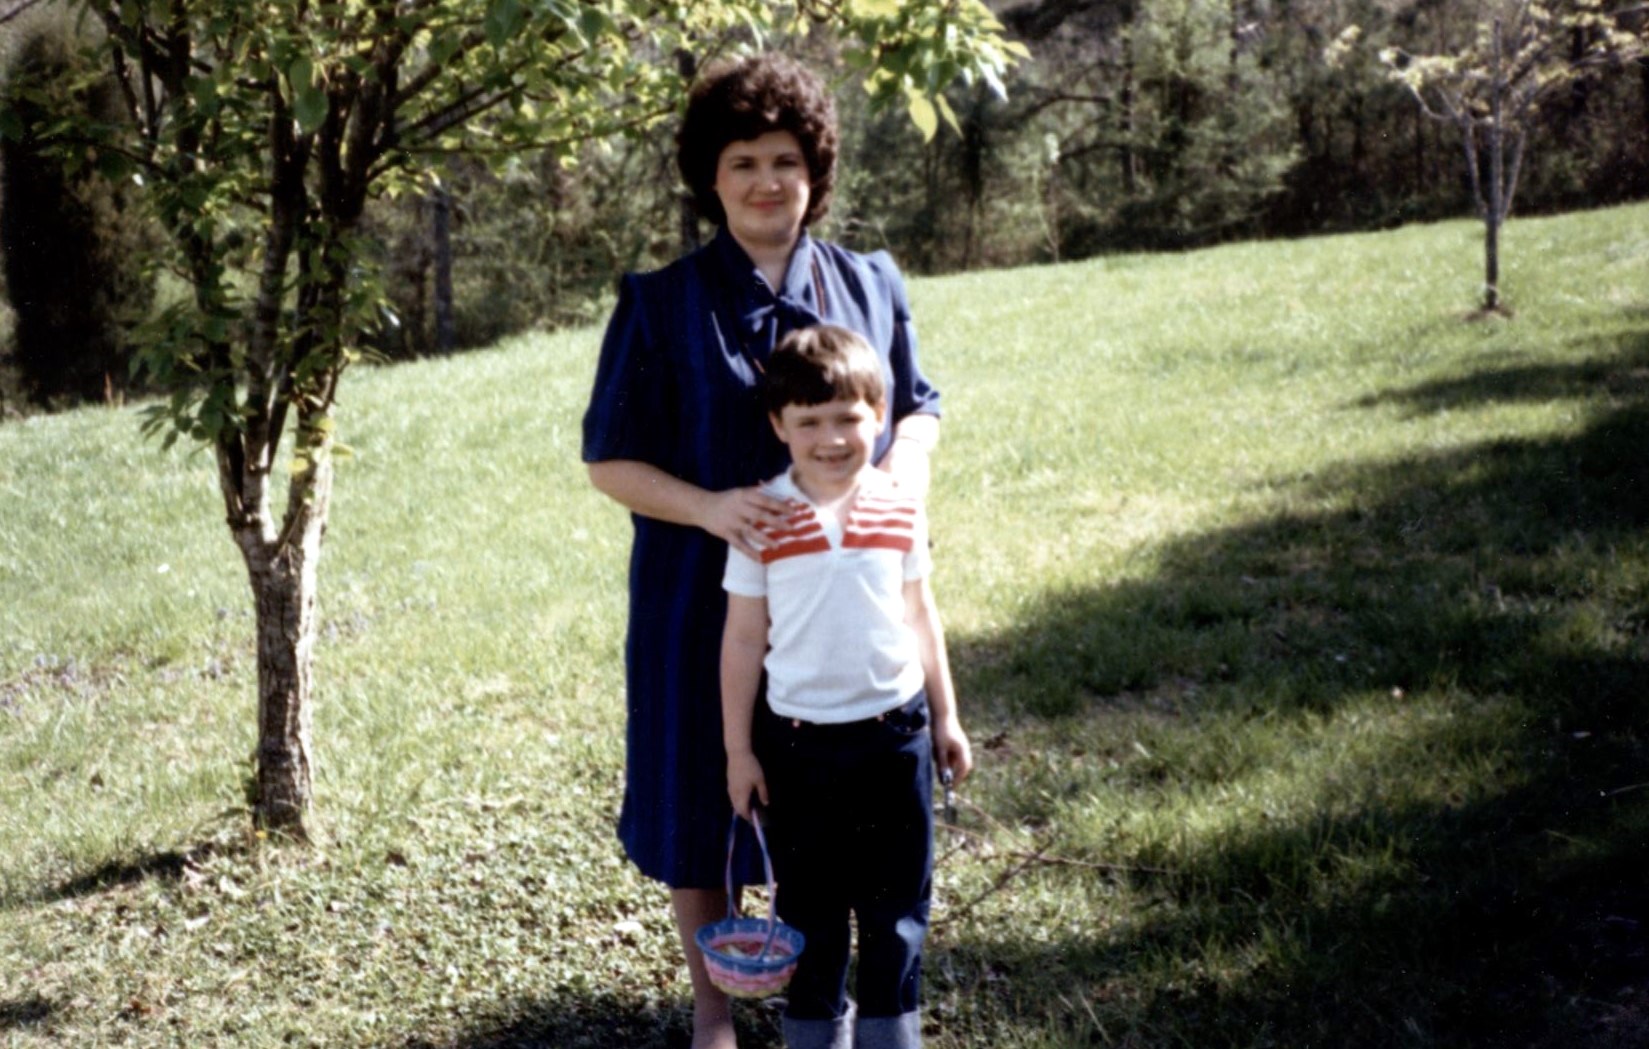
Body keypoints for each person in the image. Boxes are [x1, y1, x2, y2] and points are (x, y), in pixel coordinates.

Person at [581, 54, 942, 1049]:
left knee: (851, 820)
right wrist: (708, 506)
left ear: (813, 168)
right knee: (701, 792)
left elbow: (916, 407)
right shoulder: (660, 306)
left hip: (847, 605)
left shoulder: (868, 283)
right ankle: (715, 1012)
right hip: (700, 594)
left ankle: (857, 1003)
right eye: (741, 160)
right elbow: (607, 458)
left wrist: (901, 476)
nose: (764, 181)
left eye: (784, 159)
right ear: (710, 174)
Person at [720, 324, 972, 1049]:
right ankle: (815, 1036)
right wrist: (740, 751)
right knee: (810, 910)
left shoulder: (898, 505)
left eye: (847, 418)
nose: (830, 438)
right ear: (779, 425)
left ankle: (891, 1036)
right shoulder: (763, 518)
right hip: (797, 749)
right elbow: (741, 641)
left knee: (897, 906)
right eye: (808, 421)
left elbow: (920, 615)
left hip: (896, 737)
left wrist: (947, 718)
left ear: (880, 413)